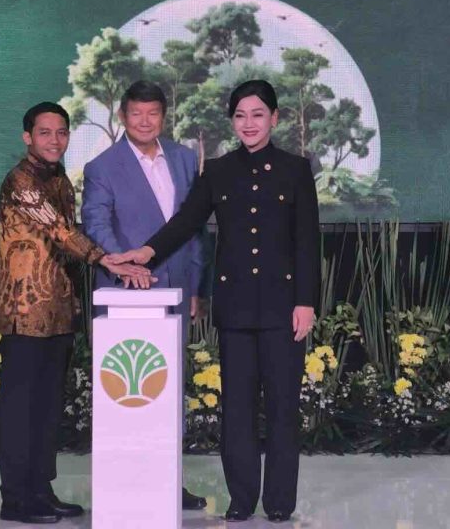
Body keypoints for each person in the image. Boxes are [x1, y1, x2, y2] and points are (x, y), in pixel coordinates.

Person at [116, 80, 320, 523]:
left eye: (258, 114)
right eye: (240, 116)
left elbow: (307, 241)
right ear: (232, 122)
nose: (249, 123)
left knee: (283, 408)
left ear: (274, 118)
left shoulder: (295, 169)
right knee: (238, 410)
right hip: (235, 308)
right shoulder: (219, 171)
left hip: (283, 307)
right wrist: (147, 251)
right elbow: (186, 221)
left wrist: (305, 301)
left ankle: (279, 501)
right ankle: (242, 498)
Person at [0, 102, 149, 525]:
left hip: (59, 312)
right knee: (20, 410)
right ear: (27, 137)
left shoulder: (61, 178)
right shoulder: (20, 180)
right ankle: (15, 499)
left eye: (61, 132)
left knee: (47, 409)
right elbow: (60, 231)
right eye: (45, 132)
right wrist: (107, 259)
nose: (55, 140)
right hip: (24, 314)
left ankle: (40, 491)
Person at [81, 79, 209, 512]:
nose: (144, 121)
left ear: (164, 116)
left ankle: (170, 481)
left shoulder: (184, 158)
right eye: (136, 113)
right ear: (122, 116)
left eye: (153, 113)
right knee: (128, 394)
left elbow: (193, 227)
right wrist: (122, 263)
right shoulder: (101, 167)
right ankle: (125, 483)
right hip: (125, 292)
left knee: (170, 390)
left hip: (175, 289)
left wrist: (195, 286)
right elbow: (96, 223)